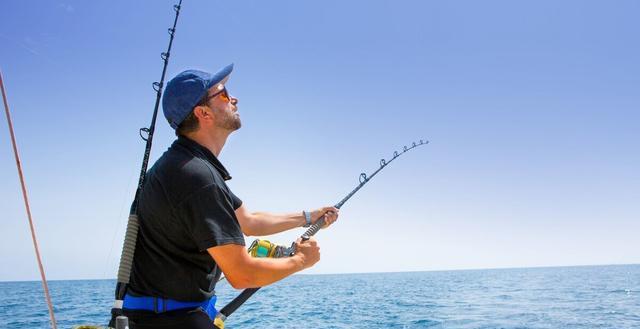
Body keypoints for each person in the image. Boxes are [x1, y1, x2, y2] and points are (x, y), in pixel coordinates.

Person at [119, 64, 339, 329]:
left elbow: (249, 221)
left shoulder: (186, 165)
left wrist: (309, 217)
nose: (234, 98)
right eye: (223, 94)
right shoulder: (197, 178)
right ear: (203, 113)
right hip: (171, 320)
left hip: (159, 315)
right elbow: (242, 274)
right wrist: (301, 260)